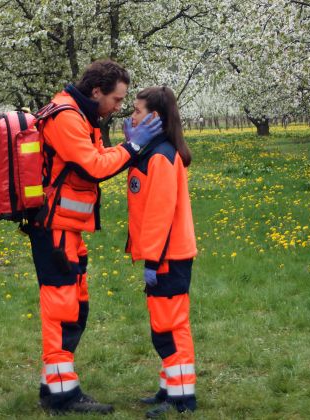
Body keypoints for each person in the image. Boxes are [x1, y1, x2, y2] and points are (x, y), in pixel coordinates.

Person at [28, 60, 163, 414]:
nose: (119, 108)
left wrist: (120, 148)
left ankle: (56, 384)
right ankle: (61, 397)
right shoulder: (67, 117)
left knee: (75, 307)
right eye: (116, 100)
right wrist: (133, 149)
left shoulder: (79, 115)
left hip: (67, 229)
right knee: (61, 312)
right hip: (54, 229)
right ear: (96, 92)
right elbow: (93, 166)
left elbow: (93, 159)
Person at [123, 86, 198, 418]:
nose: (131, 116)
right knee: (162, 327)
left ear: (154, 118)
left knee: (170, 327)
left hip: (168, 256)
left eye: (137, 111)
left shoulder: (162, 157)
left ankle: (182, 398)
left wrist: (152, 259)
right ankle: (170, 387)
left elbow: (160, 214)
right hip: (164, 255)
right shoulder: (153, 154)